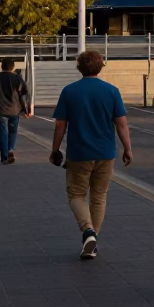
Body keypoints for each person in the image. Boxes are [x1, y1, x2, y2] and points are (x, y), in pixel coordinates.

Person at [51, 51, 133, 260]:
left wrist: (55, 149)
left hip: (79, 153)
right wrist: (127, 148)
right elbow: (121, 123)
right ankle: (93, 239)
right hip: (106, 152)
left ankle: (88, 232)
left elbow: (60, 124)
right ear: (100, 67)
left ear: (79, 68)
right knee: (99, 196)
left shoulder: (69, 91)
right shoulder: (112, 91)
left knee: (77, 194)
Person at [0, 59, 31, 164]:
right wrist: (27, 109)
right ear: (13, 68)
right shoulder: (18, 79)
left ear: (1, 66)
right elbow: (24, 95)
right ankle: (10, 150)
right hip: (15, 111)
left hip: (1, 110)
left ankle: (4, 157)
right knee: (12, 132)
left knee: (2, 133)